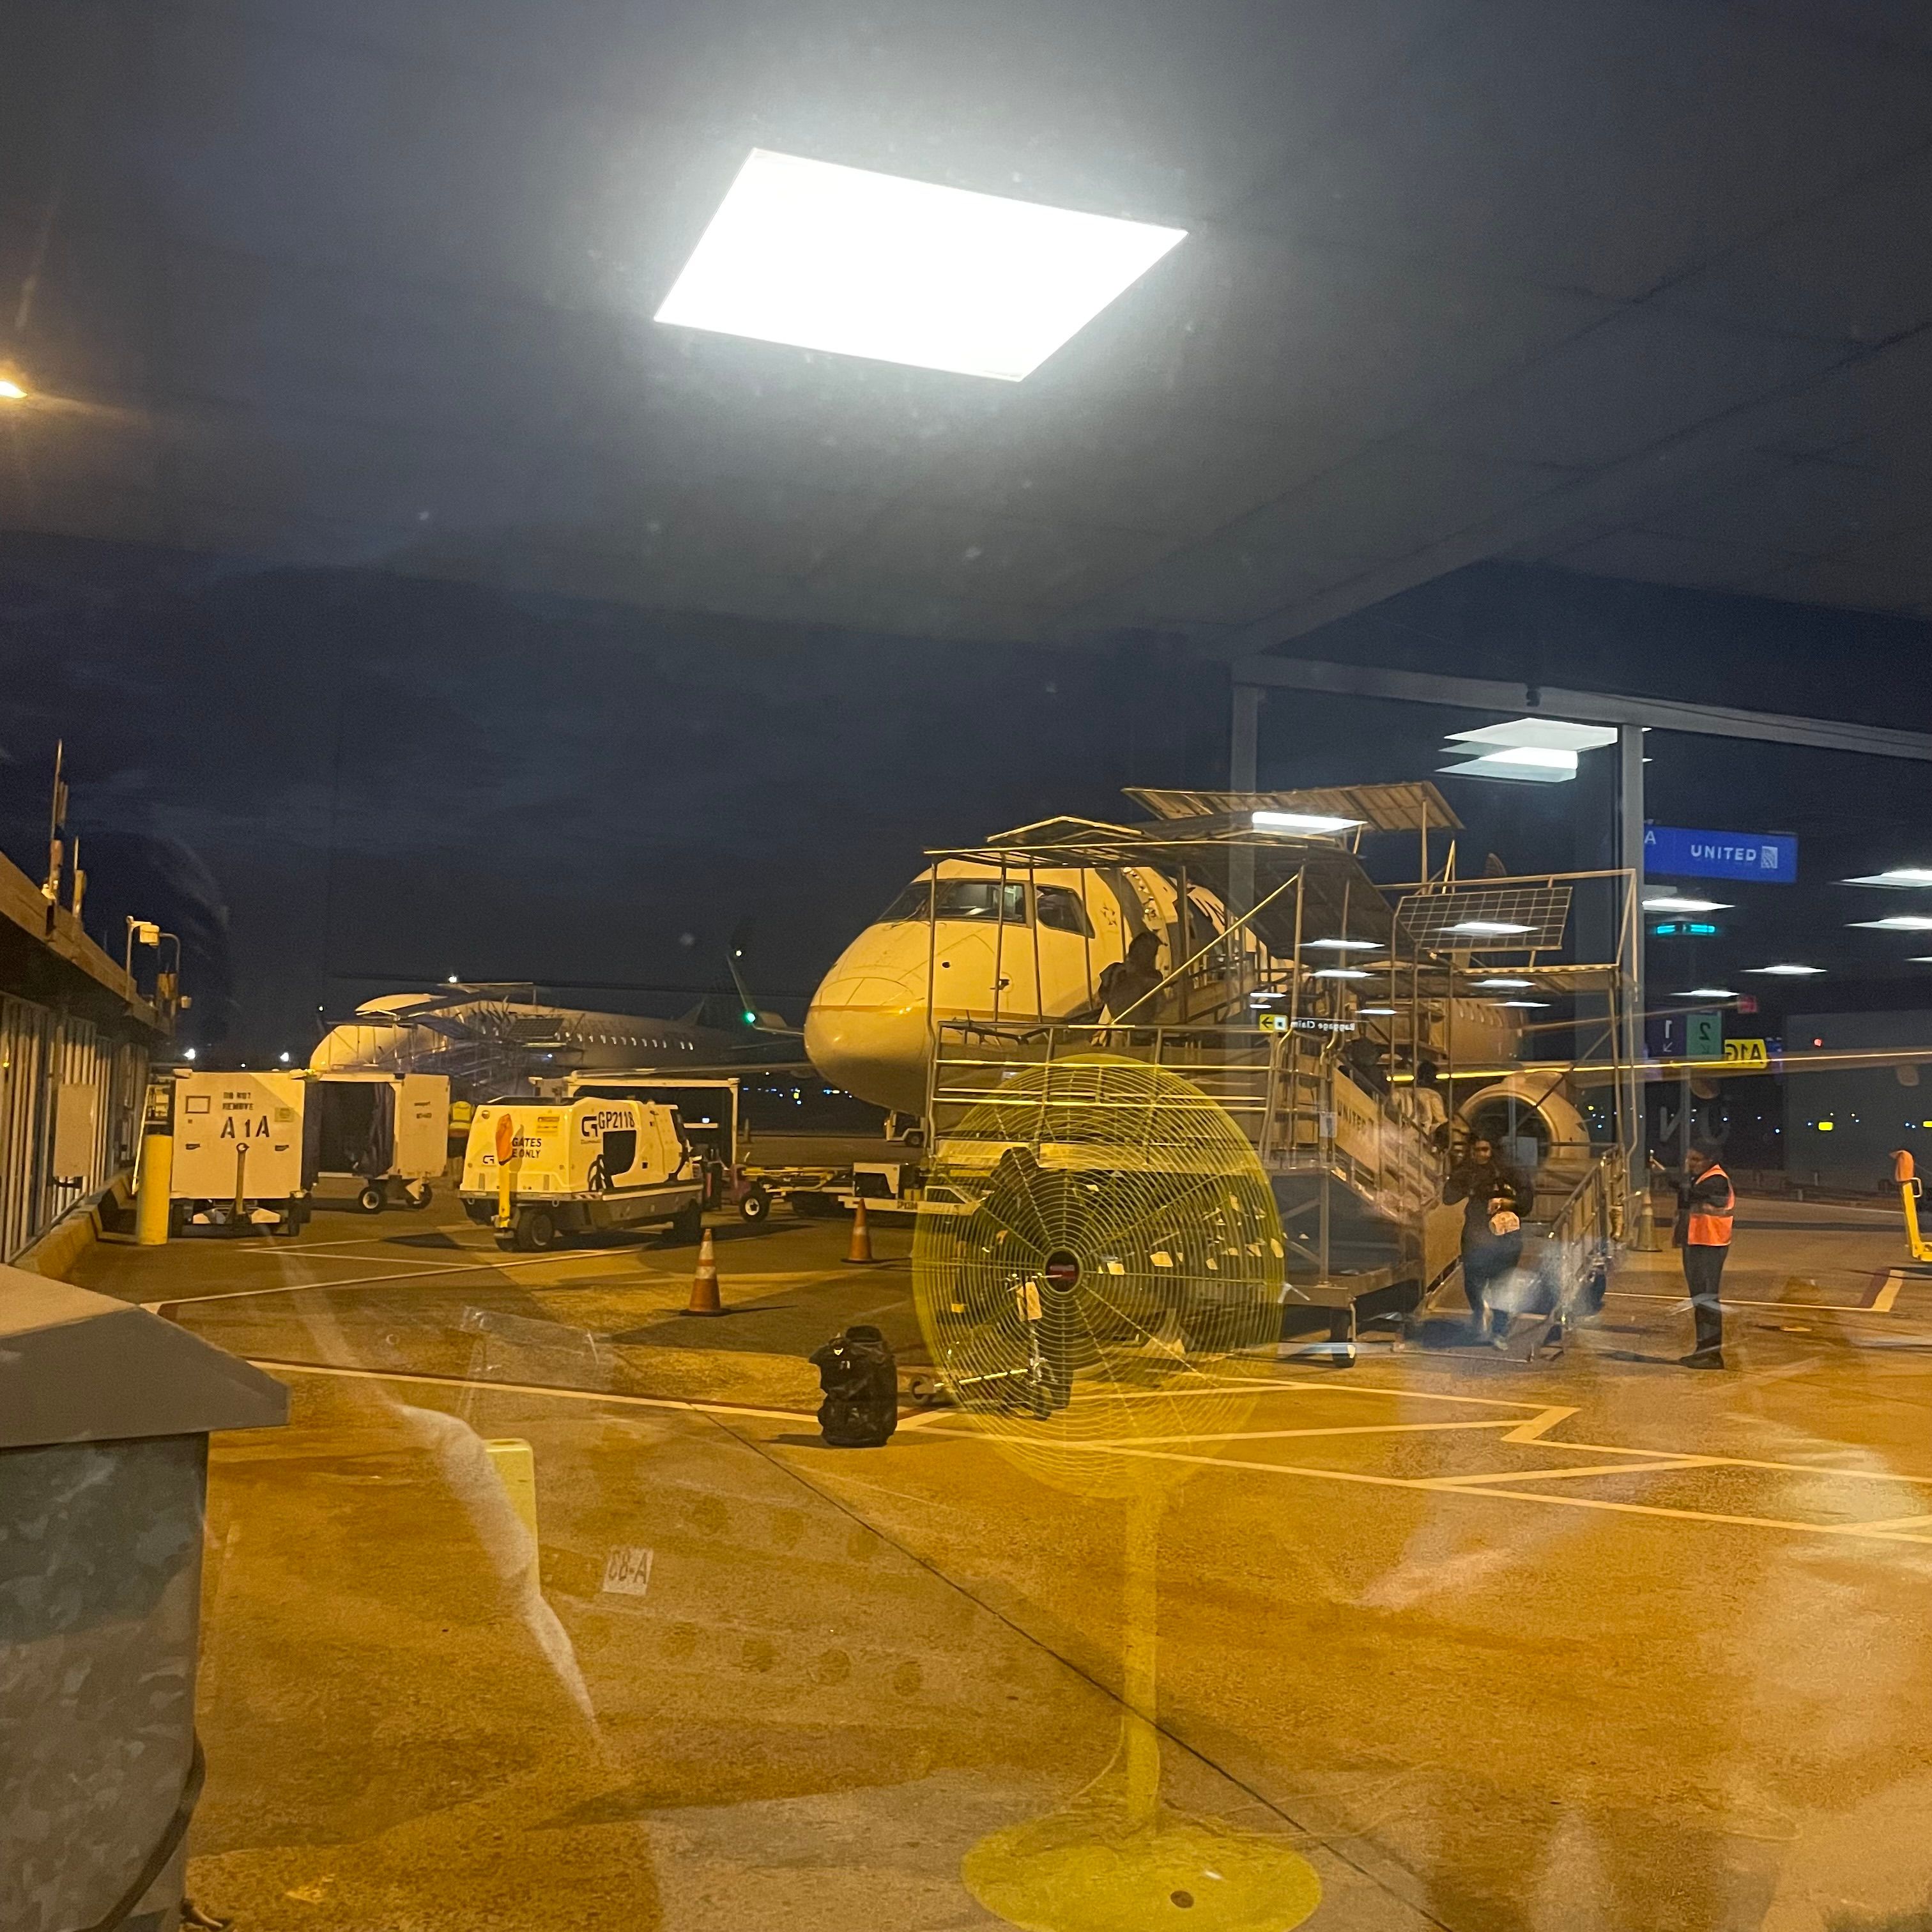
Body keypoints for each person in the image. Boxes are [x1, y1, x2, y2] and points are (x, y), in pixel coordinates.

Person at [1445, 1135, 1527, 1344]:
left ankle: (1499, 1330)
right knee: (1473, 1281)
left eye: (1485, 1149)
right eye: (1476, 1150)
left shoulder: (1508, 1171)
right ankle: (1481, 1312)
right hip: (1476, 1234)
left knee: (1502, 1284)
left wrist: (1506, 1202)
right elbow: (1448, 1197)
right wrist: (1466, 1183)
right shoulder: (1468, 1171)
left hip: (1505, 1236)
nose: (1480, 1154)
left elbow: (1527, 1201)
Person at [1673, 1142, 1733, 1368]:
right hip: (1699, 1243)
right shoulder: (1702, 1178)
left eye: (1695, 1160)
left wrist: (1675, 1182)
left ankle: (1711, 1354)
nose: (1690, 1164)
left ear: (1709, 1160)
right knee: (1701, 1299)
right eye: (1689, 1159)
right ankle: (1703, 1351)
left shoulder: (1716, 1180)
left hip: (1710, 1244)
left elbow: (1689, 1196)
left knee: (1707, 1299)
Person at [1098, 931, 1163, 1027]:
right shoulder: (1150, 978)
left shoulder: (1115, 971)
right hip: (1141, 1026)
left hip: (1118, 1023)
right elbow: (1160, 1004)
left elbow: (1103, 994)